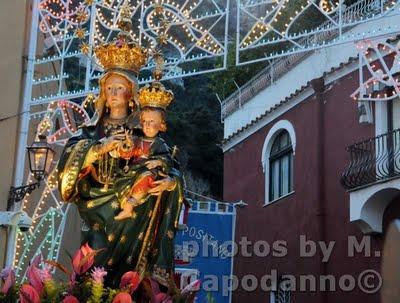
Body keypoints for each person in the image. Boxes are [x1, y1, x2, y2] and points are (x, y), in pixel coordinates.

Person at [57, 66, 184, 288]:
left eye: (120, 87)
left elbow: (169, 164)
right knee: (94, 256)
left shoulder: (144, 130)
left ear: (131, 93)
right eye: (109, 88)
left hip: (135, 209)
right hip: (94, 202)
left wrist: (171, 181)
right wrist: (98, 149)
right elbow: (70, 156)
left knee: (126, 270)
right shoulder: (90, 132)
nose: (114, 93)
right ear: (103, 93)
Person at [114, 106, 173, 221]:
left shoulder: (160, 144)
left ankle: (129, 206)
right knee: (120, 179)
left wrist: (158, 161)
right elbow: (126, 155)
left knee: (147, 177)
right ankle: (124, 201)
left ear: (161, 125)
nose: (147, 125)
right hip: (132, 170)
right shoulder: (137, 140)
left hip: (148, 171)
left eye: (152, 121)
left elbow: (167, 160)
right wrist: (128, 145)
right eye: (145, 121)